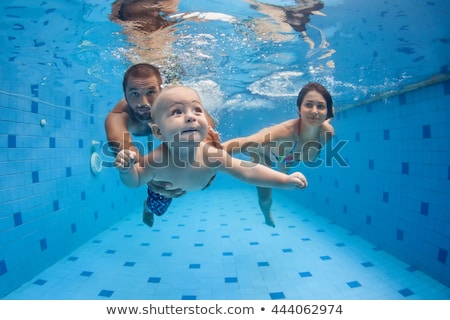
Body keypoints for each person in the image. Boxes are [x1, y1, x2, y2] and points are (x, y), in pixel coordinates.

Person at [115, 85, 308, 216]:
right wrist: (127, 170)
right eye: (177, 112)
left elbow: (248, 170)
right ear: (158, 132)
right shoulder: (156, 160)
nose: (191, 117)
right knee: (157, 209)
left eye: (197, 110)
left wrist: (284, 180)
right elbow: (136, 181)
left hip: (199, 182)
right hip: (165, 191)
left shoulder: (211, 155)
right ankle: (146, 208)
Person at [105, 63, 221, 227]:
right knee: (159, 202)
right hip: (160, 153)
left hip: (175, 143)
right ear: (125, 94)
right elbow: (123, 147)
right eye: (134, 94)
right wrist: (148, 177)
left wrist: (211, 166)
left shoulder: (176, 105)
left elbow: (207, 131)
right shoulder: (119, 116)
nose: (143, 103)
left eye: (151, 92)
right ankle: (148, 207)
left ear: (161, 90)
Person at [223, 82, 335, 227]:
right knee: (265, 197)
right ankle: (266, 215)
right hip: (264, 153)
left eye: (321, 106)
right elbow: (244, 142)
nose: (314, 111)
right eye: (308, 105)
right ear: (299, 109)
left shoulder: (327, 133)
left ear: (327, 111)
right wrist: (207, 152)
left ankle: (285, 165)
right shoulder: (284, 132)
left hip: (287, 156)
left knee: (287, 163)